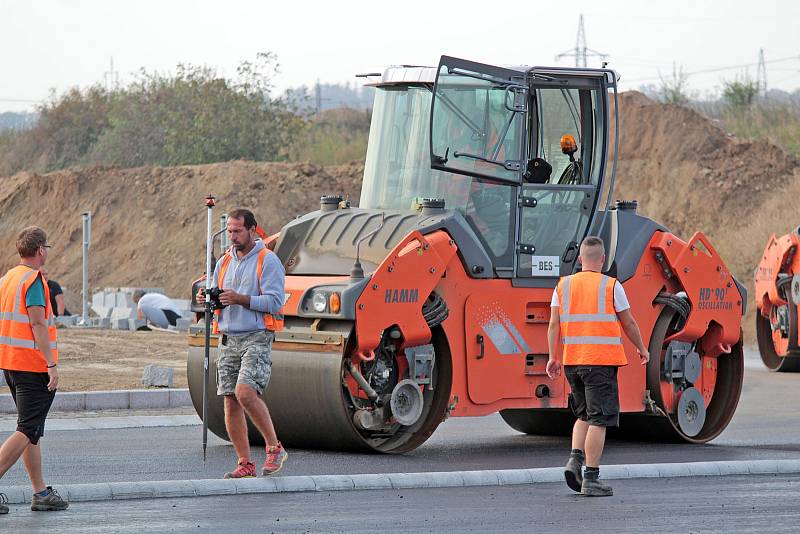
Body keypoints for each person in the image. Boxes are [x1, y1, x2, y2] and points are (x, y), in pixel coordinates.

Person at [546, 236, 649, 497]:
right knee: (599, 420)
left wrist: (552, 357)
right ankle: (591, 477)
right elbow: (629, 323)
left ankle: (574, 460)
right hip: (600, 362)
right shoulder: (611, 286)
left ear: (580, 259)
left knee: (583, 415)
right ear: (602, 259)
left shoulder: (562, 286)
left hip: (572, 361)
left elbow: (553, 325)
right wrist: (642, 348)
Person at [196, 208, 287, 479]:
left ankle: (274, 448)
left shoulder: (267, 261)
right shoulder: (224, 262)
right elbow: (217, 296)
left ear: (252, 230)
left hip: (256, 336)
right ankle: (245, 463)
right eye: (230, 231)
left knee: (245, 393)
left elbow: (275, 302)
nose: (232, 237)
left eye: (237, 231)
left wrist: (241, 299)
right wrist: (205, 299)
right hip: (227, 338)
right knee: (230, 401)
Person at [0, 227, 69, 514]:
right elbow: (38, 324)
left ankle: (40, 493)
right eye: (47, 248)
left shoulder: (8, 278)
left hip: (11, 363)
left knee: (32, 430)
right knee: (27, 428)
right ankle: (39, 493)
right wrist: (51, 364)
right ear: (40, 250)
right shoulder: (35, 280)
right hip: (32, 365)